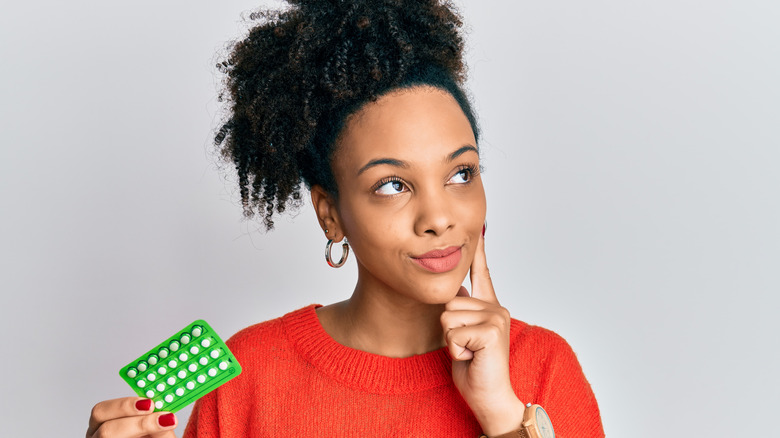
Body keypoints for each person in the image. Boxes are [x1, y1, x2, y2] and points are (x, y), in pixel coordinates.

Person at [86, 1, 604, 437]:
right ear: (330, 215)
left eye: (460, 173)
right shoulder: (249, 377)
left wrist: (502, 415)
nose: (438, 217)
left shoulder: (542, 368)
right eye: (392, 185)